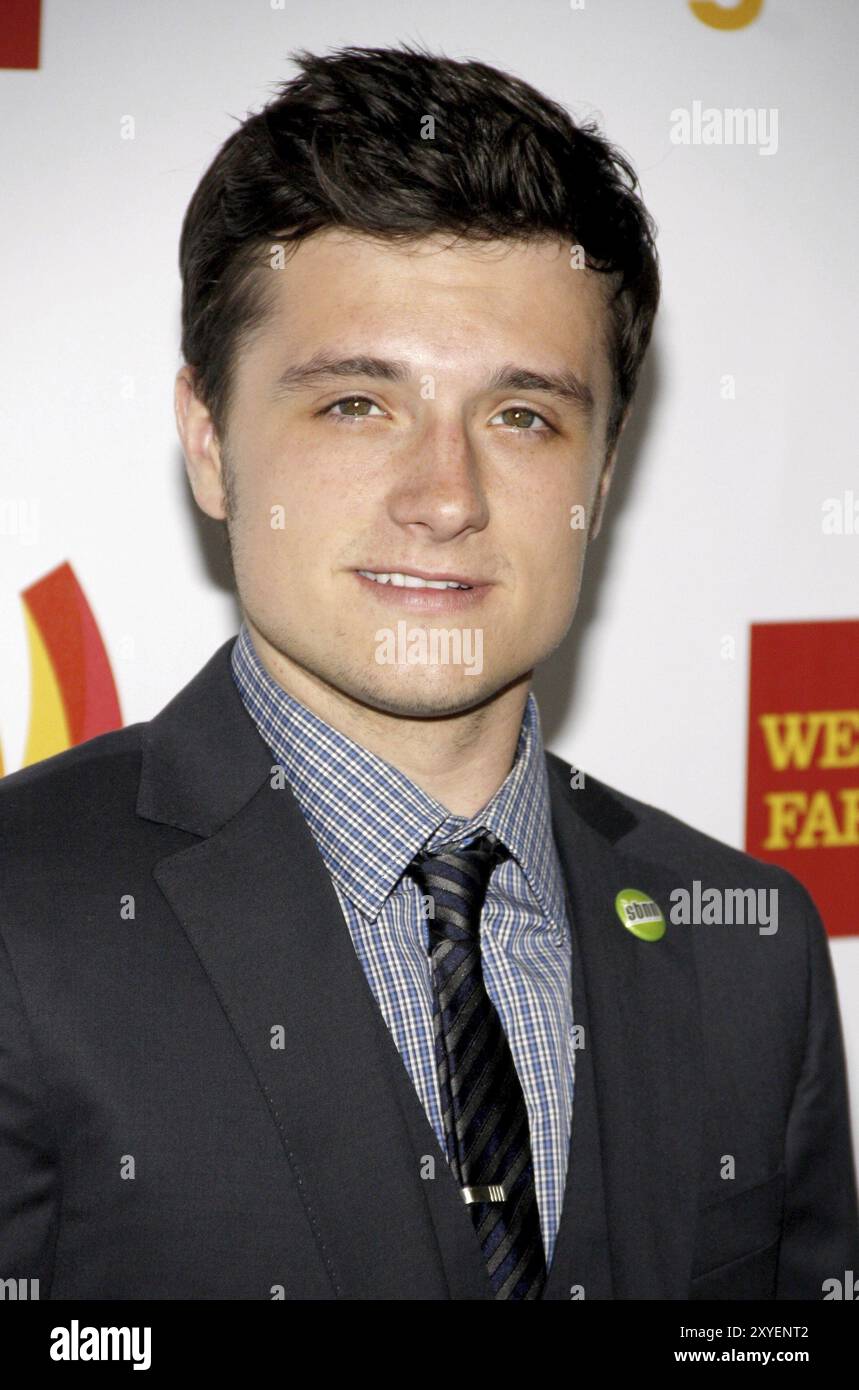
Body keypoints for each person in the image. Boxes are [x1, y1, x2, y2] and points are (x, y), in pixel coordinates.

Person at [1, 43, 856, 1302]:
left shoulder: (748, 949)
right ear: (209, 444)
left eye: (522, 417)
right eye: (356, 403)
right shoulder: (22, 911)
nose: (446, 497)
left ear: (599, 480)